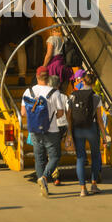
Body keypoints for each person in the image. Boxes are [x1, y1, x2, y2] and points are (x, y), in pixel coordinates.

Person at [21, 66, 64, 198]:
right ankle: (45, 178)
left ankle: (42, 185)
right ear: (48, 77)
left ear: (37, 76)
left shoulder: (28, 92)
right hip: (51, 131)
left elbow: (23, 113)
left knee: (39, 158)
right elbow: (60, 114)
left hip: (34, 130)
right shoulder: (54, 93)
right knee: (55, 156)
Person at [67, 72, 107, 197]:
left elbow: (68, 116)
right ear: (94, 83)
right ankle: (94, 185)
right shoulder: (96, 98)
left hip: (77, 129)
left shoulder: (73, 95)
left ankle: (83, 189)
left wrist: (69, 132)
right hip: (92, 128)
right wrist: (104, 135)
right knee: (95, 156)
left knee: (80, 158)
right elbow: (100, 119)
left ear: (82, 81)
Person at [47, 75, 69, 186]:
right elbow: (68, 113)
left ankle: (55, 176)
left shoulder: (47, 97)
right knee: (56, 150)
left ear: (48, 85)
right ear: (59, 85)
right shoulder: (64, 97)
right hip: (63, 126)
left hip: (53, 127)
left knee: (52, 152)